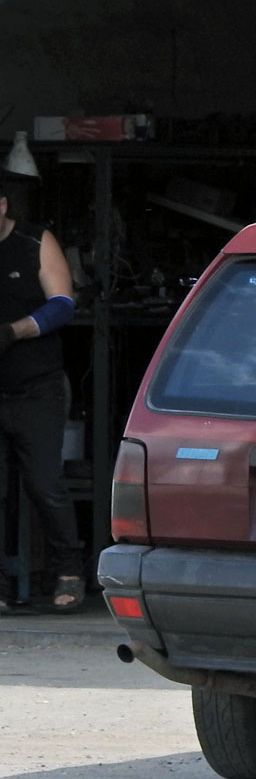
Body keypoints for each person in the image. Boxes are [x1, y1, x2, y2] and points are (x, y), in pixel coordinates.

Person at [0, 182, 82, 613]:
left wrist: (14, 331)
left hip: (38, 387)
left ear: (2, 205)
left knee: (45, 486)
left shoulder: (34, 240)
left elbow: (63, 303)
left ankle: (68, 570)